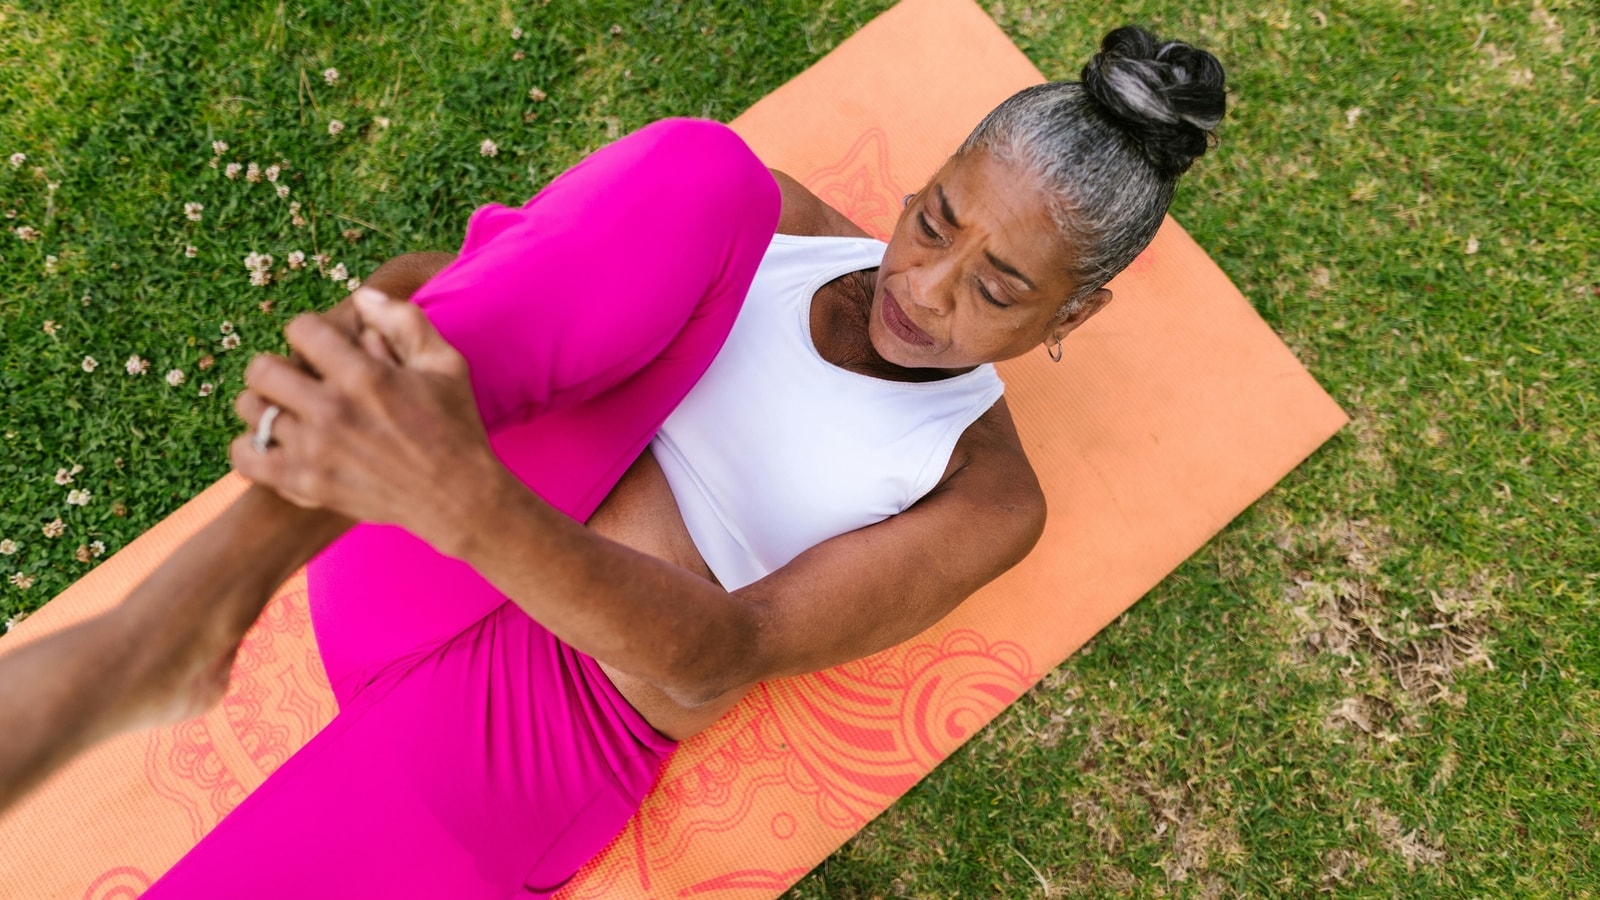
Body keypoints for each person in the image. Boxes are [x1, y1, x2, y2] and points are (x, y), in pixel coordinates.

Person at [0, 26, 1224, 896]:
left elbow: (725, 652)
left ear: (1074, 315)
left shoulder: (984, 490)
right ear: (925, 180)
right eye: (933, 220)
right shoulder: (774, 223)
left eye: (997, 289)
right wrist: (398, 358)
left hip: (539, 721)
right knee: (704, 169)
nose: (925, 288)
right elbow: (467, 295)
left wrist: (466, 492)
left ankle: (190, 618)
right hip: (409, 541)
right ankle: (179, 620)